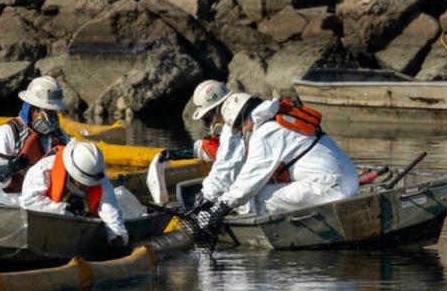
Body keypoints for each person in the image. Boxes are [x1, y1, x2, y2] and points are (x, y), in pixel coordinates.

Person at [198, 93, 360, 234]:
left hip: (330, 188)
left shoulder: (266, 133)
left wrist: (222, 207)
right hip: (350, 180)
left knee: (256, 198)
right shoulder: (281, 117)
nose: (243, 131)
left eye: (239, 128)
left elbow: (248, 182)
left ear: (244, 120)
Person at [147, 79, 242, 205]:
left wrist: (204, 199)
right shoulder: (229, 131)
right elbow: (208, 148)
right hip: (239, 189)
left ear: (219, 108)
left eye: (208, 119)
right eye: (205, 121)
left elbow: (223, 172)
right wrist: (172, 154)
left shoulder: (236, 133)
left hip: (251, 195)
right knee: (184, 190)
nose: (209, 125)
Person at [21, 139, 129, 246]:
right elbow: (28, 201)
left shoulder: (98, 177)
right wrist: (62, 210)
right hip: (45, 229)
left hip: (82, 232)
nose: (87, 186)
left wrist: (117, 236)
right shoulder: (44, 170)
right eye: (84, 183)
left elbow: (110, 210)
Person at [0, 75, 70, 192]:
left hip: (46, 197)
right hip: (11, 196)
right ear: (33, 109)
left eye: (55, 113)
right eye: (49, 112)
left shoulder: (60, 136)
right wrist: (10, 169)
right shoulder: (5, 133)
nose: (53, 118)